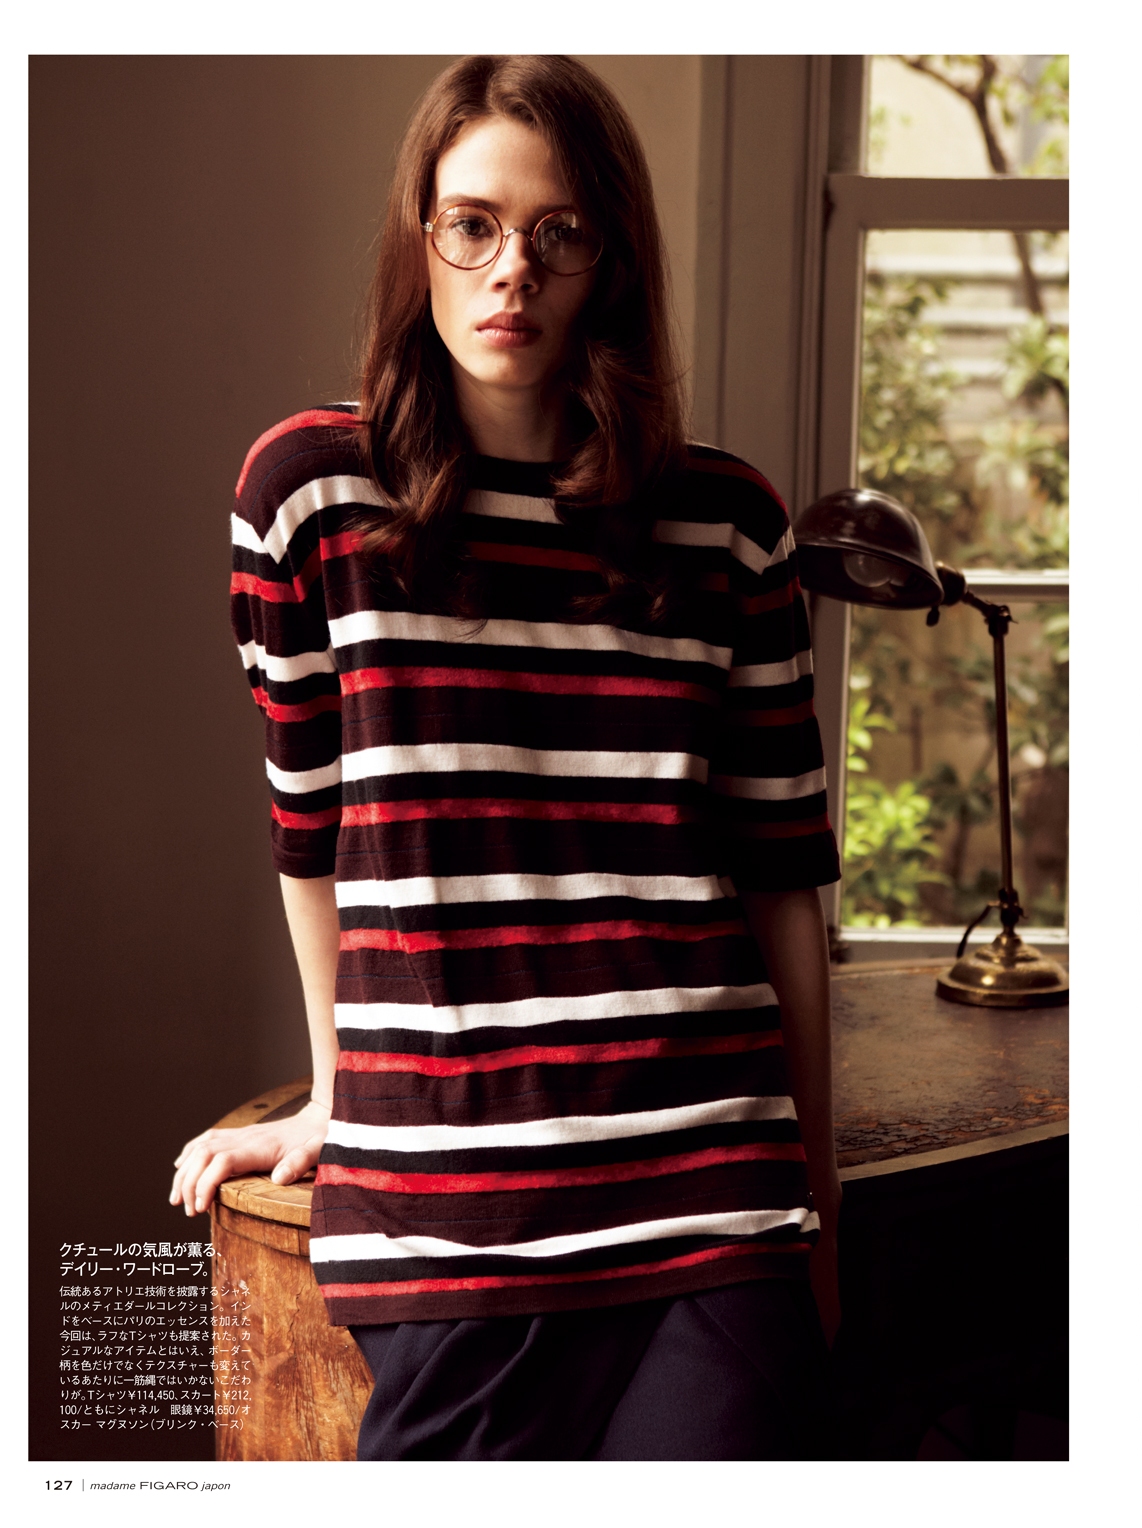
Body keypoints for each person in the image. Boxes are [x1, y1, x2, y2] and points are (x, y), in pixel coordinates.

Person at [171, 53, 842, 1460]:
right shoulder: (308, 498)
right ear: (420, 239)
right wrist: (338, 1093)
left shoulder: (728, 525)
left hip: (710, 1194)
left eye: (559, 232)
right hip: (444, 1214)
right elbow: (311, 836)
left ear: (612, 258)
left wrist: (815, 1205)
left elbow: (784, 881)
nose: (511, 271)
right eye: (471, 225)